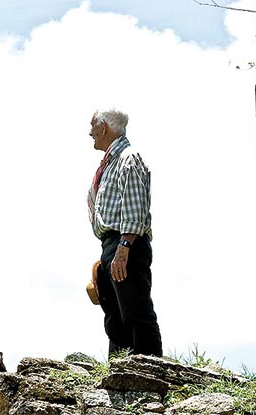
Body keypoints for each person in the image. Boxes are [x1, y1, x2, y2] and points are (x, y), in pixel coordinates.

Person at [86, 108, 163, 357]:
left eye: (93, 126)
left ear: (104, 127)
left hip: (126, 243)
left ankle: (151, 374)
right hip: (115, 244)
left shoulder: (128, 158)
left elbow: (135, 206)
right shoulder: (111, 163)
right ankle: (121, 376)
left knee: (135, 312)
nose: (90, 132)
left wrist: (123, 248)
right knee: (115, 318)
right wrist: (109, 251)